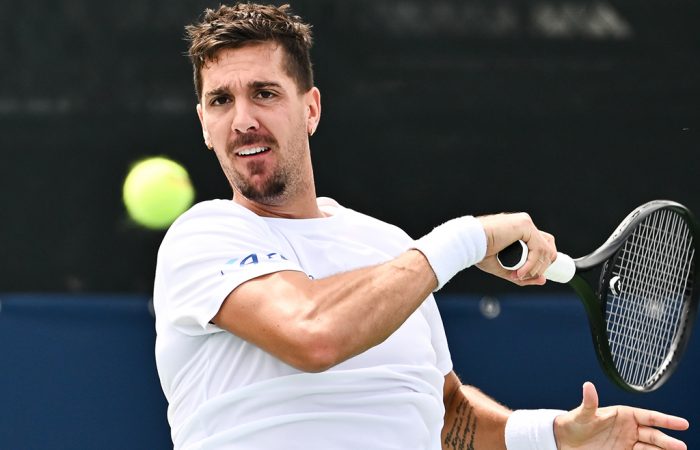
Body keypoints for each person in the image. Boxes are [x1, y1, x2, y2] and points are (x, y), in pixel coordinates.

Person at [153, 3, 689, 449]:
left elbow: (445, 412)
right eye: (221, 100)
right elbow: (313, 334)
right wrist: (465, 239)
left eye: (264, 93)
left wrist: (552, 435)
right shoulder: (202, 237)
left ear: (310, 109)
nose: (243, 117)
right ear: (204, 123)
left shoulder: (391, 249)